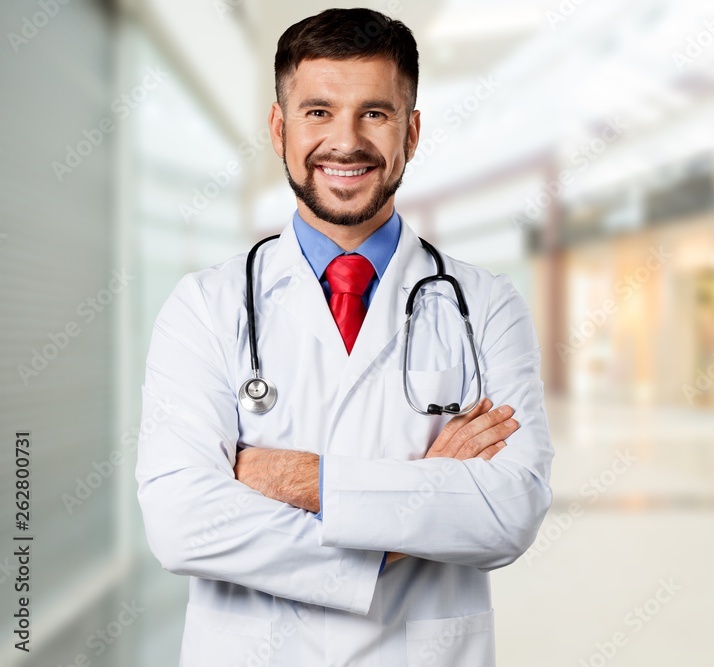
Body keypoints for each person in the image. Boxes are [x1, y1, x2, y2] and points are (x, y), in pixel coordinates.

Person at [135, 8, 554, 666]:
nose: (346, 141)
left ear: (411, 133)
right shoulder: (204, 307)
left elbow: (509, 509)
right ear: (279, 128)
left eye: (375, 114)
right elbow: (181, 521)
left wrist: (303, 479)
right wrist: (421, 496)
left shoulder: (486, 304)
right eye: (318, 112)